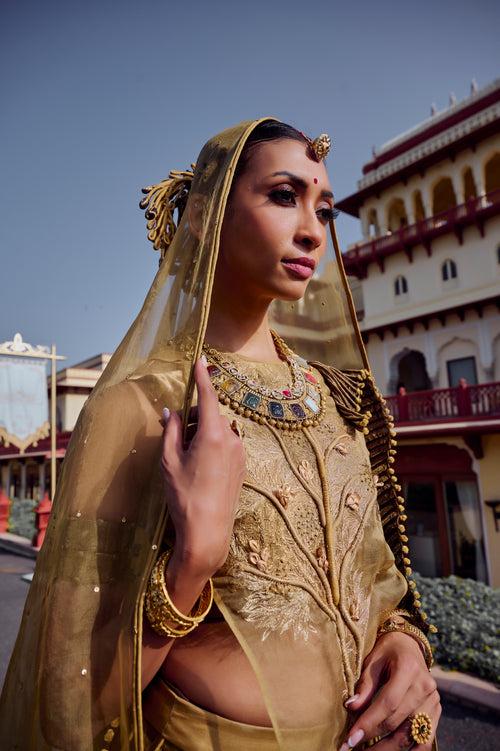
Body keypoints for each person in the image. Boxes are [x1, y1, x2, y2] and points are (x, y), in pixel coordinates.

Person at [0, 119, 441, 751]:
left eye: (326, 209)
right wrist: (193, 563)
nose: (314, 230)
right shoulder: (144, 407)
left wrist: (403, 645)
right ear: (205, 219)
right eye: (284, 196)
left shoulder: (336, 402)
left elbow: (378, 581)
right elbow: (69, 704)